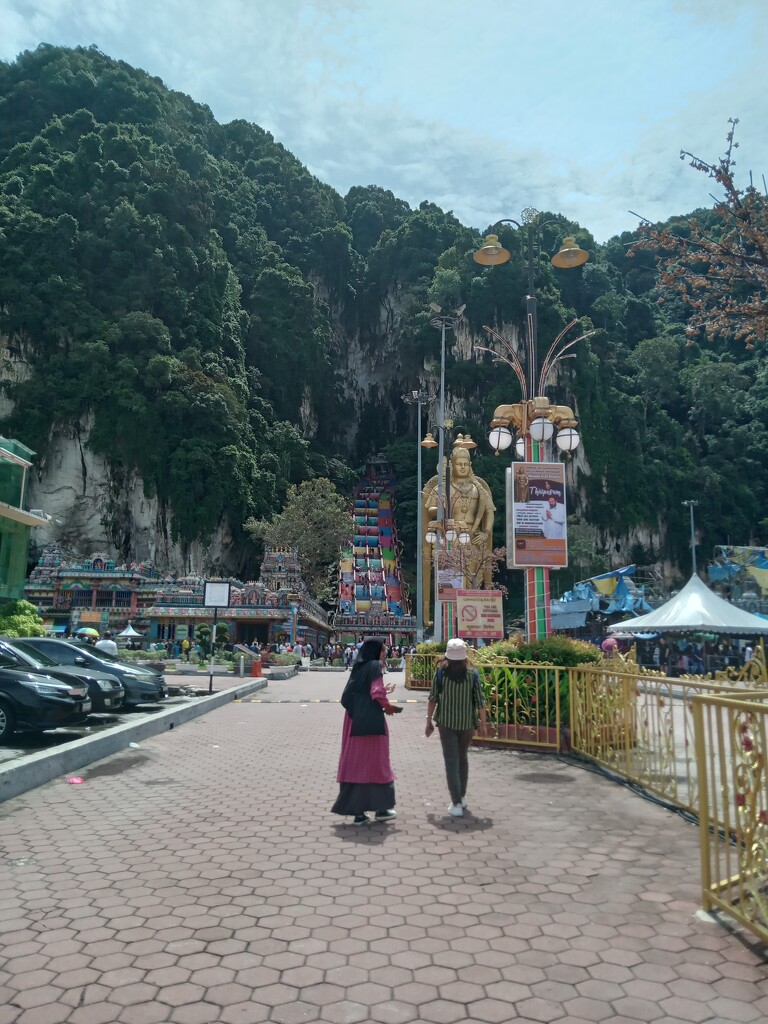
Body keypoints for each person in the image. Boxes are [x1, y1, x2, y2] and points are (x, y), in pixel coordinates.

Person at [332, 638, 403, 826]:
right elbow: (376, 692)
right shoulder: (375, 666)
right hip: (371, 722)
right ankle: (381, 809)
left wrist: (382, 692)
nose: (385, 652)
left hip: (354, 719)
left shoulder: (360, 666)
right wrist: (387, 706)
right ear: (375, 651)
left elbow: (362, 690)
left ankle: (359, 812)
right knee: (377, 761)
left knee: (356, 762)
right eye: (383, 649)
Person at [425, 637, 491, 817]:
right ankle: (461, 796)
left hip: (446, 723)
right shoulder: (472, 674)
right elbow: (480, 701)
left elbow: (432, 699)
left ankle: (455, 803)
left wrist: (428, 720)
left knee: (451, 762)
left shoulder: (440, 674)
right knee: (463, 759)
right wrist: (484, 724)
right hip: (467, 723)